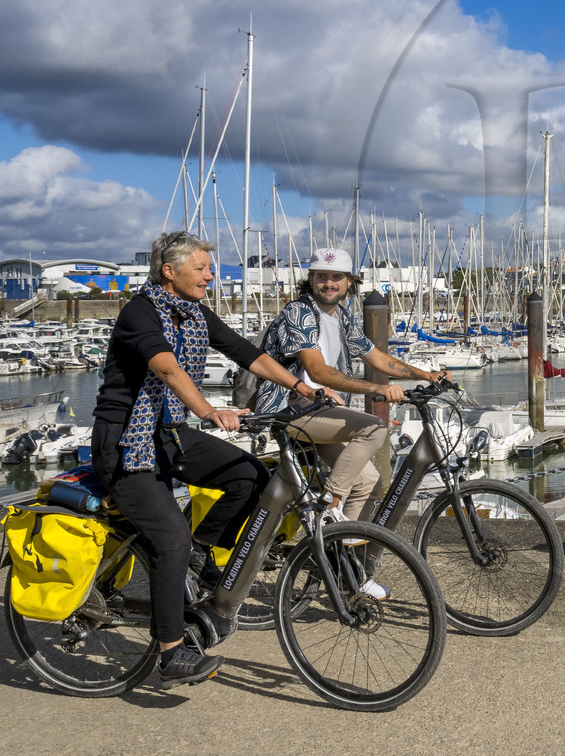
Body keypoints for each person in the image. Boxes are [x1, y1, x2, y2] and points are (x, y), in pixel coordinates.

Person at [91, 230, 320, 689]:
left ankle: (199, 551)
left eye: (209, 268)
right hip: (125, 443)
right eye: (202, 268)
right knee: (169, 540)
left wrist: (303, 388)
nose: (210, 275)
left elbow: (246, 354)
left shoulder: (194, 313)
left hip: (170, 435)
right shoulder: (140, 312)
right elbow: (166, 366)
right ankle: (171, 654)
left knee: (249, 474)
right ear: (168, 271)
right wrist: (209, 411)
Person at [253, 247, 447, 536]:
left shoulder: (341, 317)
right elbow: (316, 371)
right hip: (290, 410)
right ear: (311, 279)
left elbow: (376, 357)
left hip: (318, 412)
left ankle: (340, 560)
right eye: (322, 276)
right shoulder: (299, 312)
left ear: (349, 282)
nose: (329, 283)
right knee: (373, 428)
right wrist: (377, 388)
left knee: (368, 481)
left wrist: (427, 375)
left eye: (336, 277)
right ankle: (329, 506)